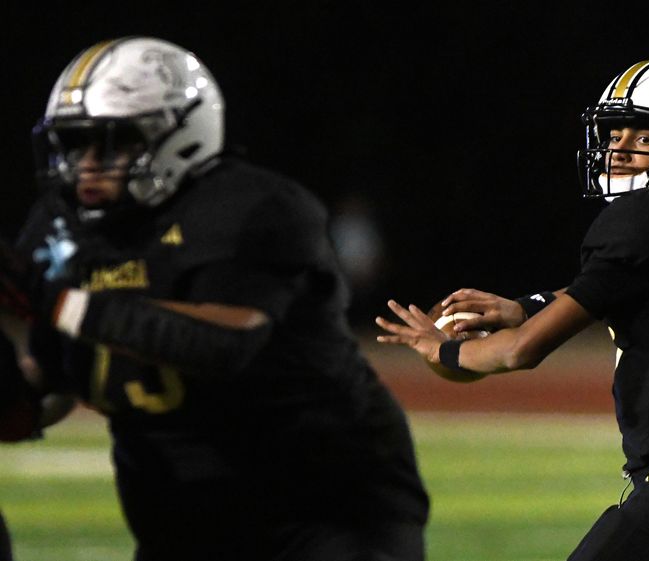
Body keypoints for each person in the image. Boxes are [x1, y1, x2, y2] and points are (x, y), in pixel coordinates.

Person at [17, 36, 429, 561]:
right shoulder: (59, 226)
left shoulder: (250, 209)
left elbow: (222, 343)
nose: (88, 166)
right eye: (75, 145)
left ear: (180, 133)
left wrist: (60, 304)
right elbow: (48, 379)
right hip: (183, 521)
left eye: (114, 142)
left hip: (323, 508)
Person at [377, 59, 649, 561]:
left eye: (644, 138)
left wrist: (442, 349)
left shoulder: (646, 215)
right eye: (616, 133)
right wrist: (524, 306)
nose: (618, 149)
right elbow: (619, 285)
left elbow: (522, 353)